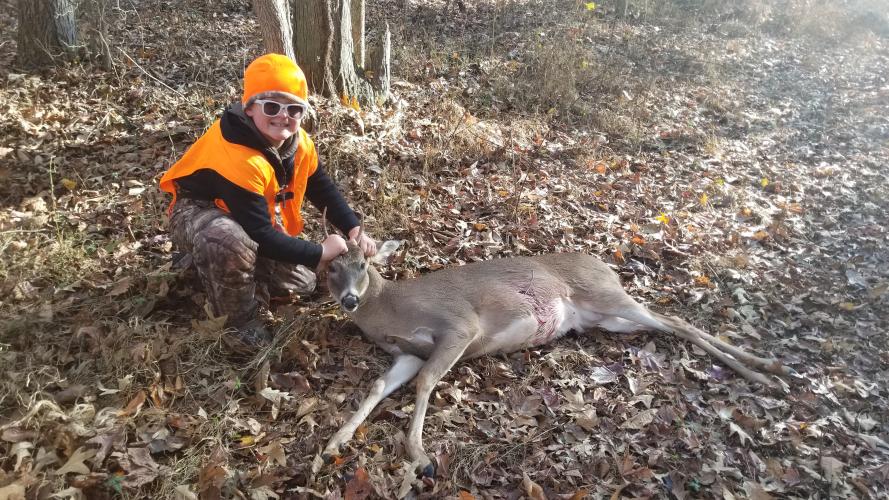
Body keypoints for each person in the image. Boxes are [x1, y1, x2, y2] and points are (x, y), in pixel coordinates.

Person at [159, 53, 376, 351]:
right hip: (199, 212)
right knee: (227, 241)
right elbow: (260, 233)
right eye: (271, 106)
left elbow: (320, 186)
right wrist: (319, 252)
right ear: (249, 108)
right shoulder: (237, 155)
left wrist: (353, 228)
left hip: (250, 214)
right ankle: (240, 324)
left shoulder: (297, 143)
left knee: (304, 284)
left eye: (294, 108)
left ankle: (212, 270)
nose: (283, 116)